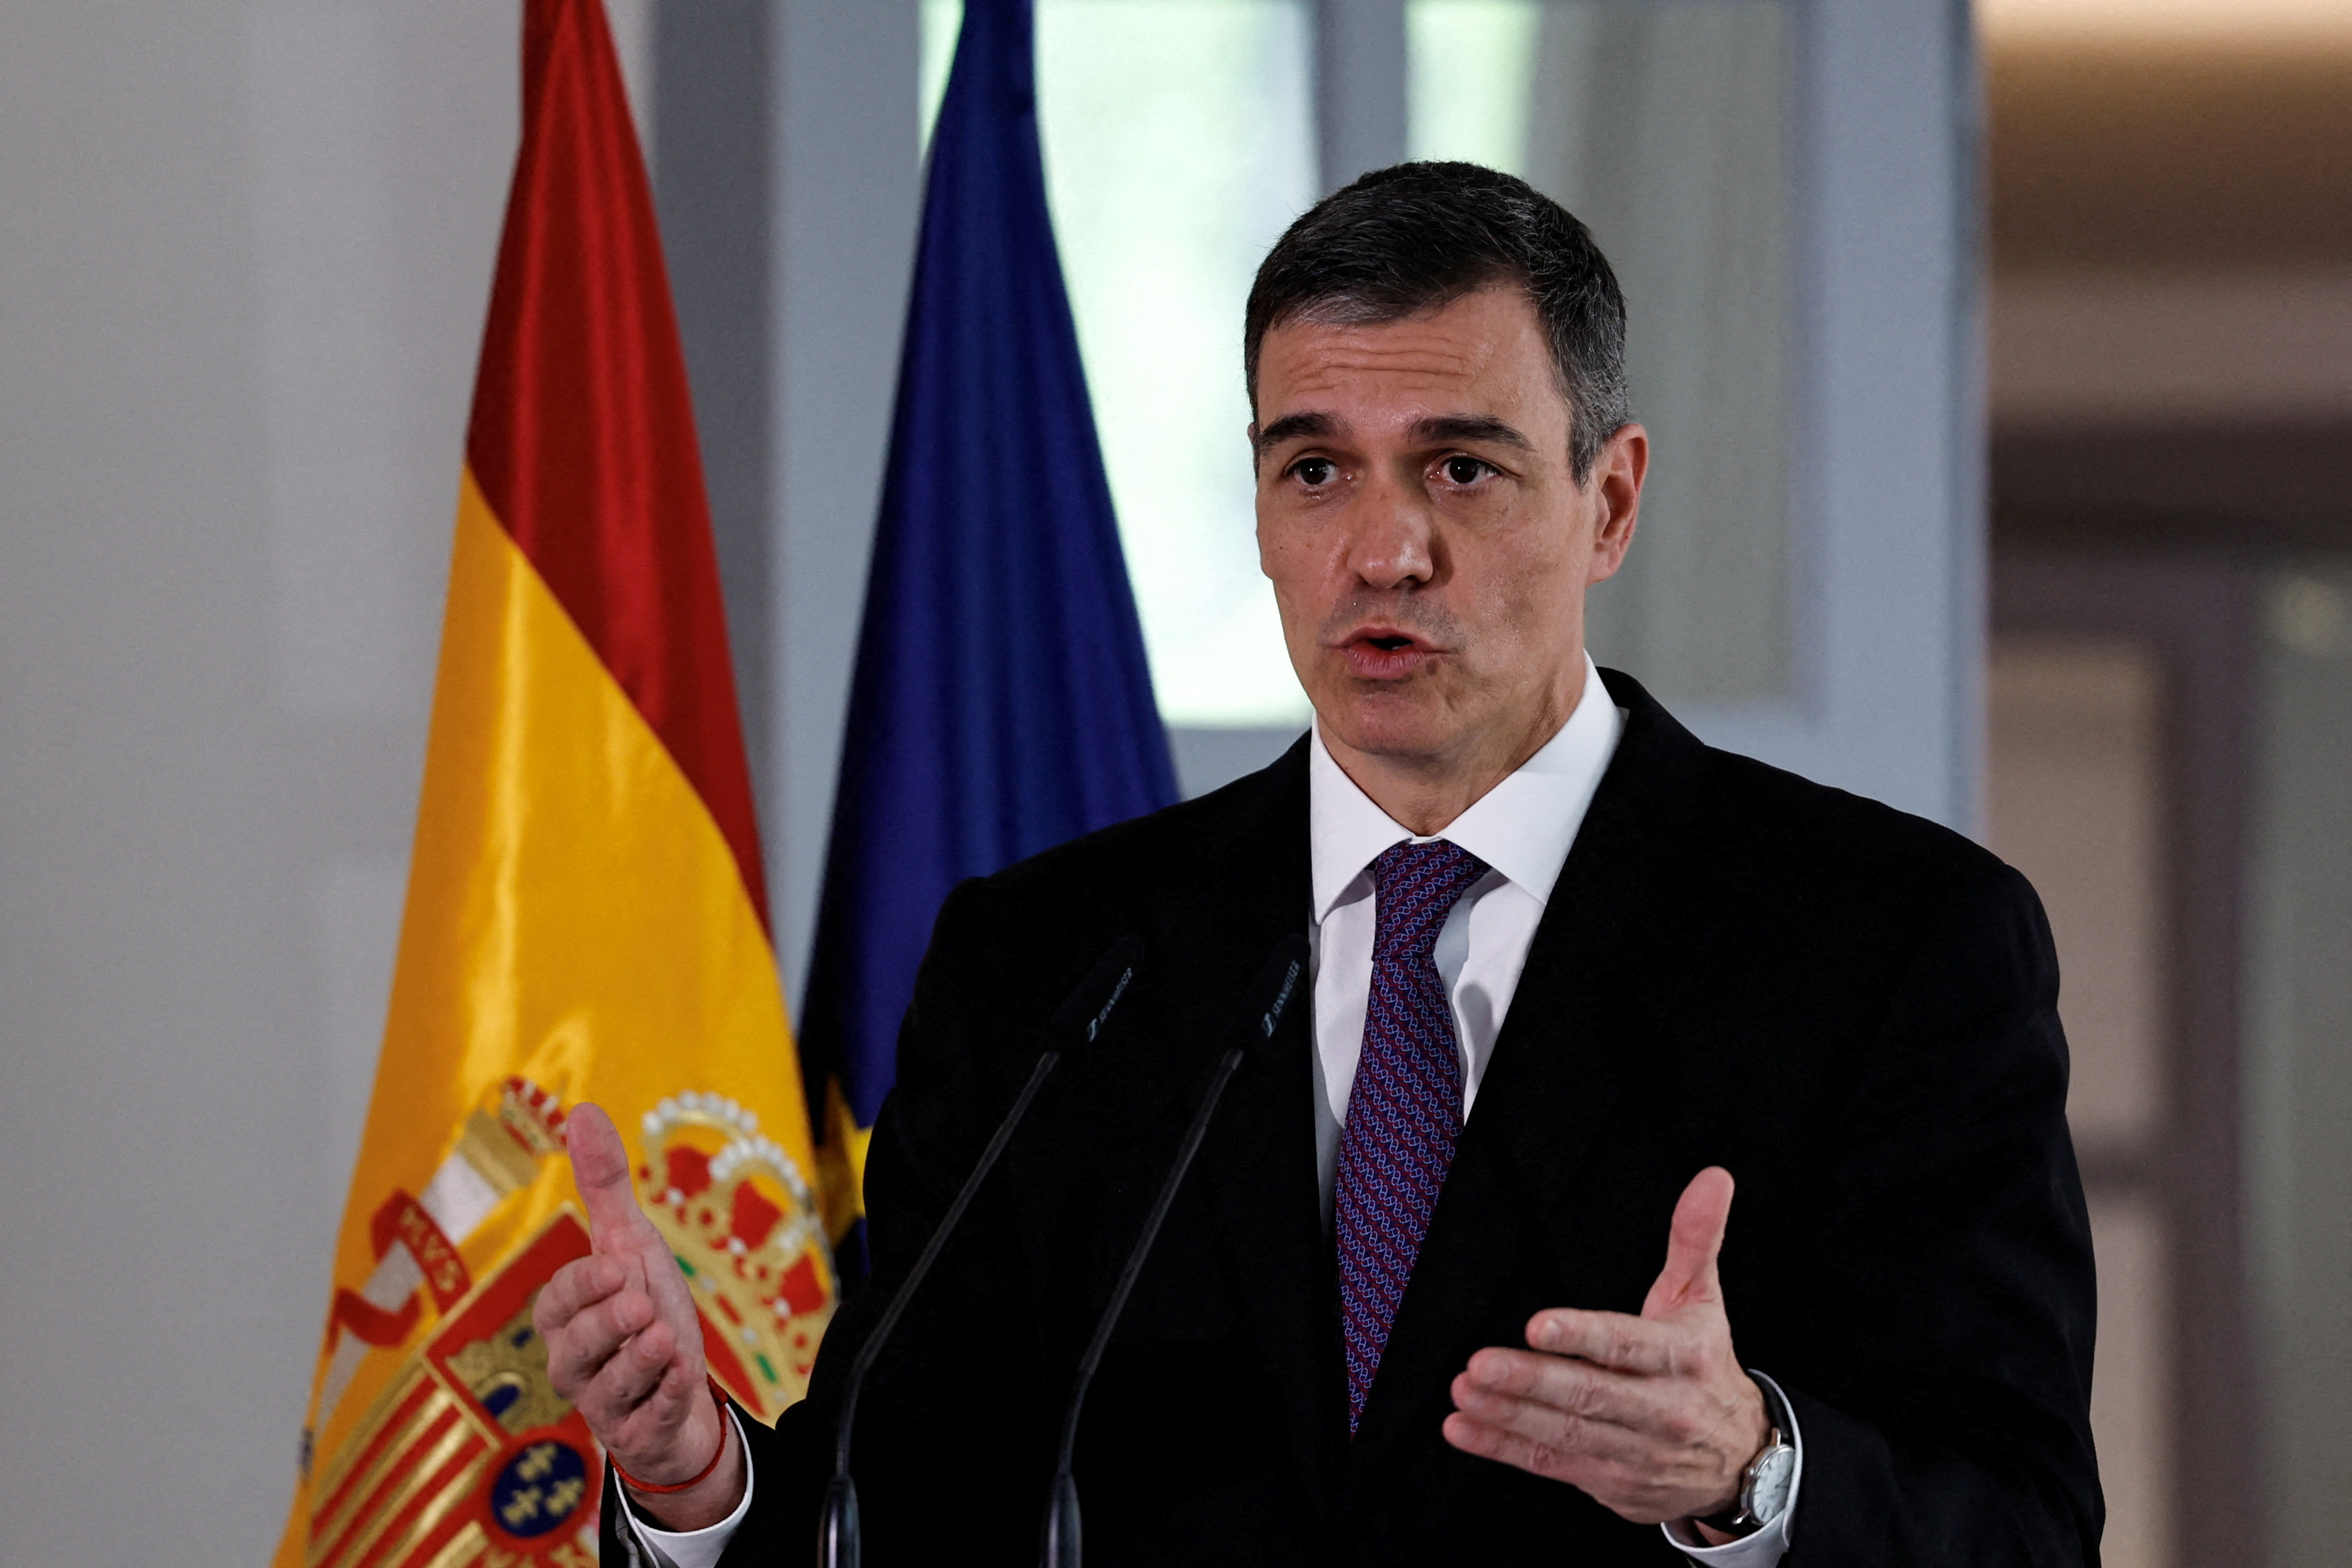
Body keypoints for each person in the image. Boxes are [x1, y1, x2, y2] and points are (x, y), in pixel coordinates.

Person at [537, 162, 2102, 1566]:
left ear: (1608, 501)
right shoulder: (1054, 965)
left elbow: (2017, 1528)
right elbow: (907, 1499)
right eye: (1314, 470)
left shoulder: (1889, 943)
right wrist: (696, 1477)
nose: (1380, 551)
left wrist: (1747, 1474)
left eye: (1459, 468)